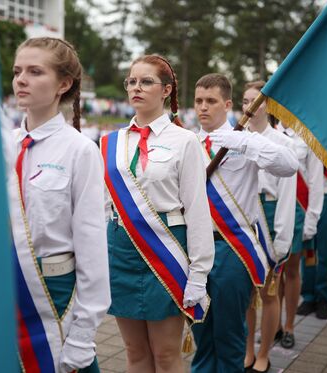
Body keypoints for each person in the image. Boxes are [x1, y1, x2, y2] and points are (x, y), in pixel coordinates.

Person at [101, 55, 213, 373]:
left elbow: (197, 208)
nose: (137, 87)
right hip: (120, 249)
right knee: (134, 352)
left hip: (165, 248)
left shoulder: (185, 141)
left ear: (166, 90)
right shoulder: (109, 142)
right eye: (132, 81)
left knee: (165, 355)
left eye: (146, 81)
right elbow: (102, 205)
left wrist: (200, 273)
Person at [5, 37, 110, 373]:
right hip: (3, 288)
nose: (21, 79)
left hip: (52, 294)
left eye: (35, 71)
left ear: (64, 84)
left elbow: (91, 243)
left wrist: (83, 333)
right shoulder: (3, 145)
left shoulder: (79, 150)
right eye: (17, 71)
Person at [191, 73, 298, 373]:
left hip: (231, 249)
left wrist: (244, 142)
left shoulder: (246, 140)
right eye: (199, 101)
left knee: (229, 334)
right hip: (195, 249)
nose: (203, 107)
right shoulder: (186, 142)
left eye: (211, 101)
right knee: (200, 331)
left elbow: (289, 166)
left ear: (227, 105)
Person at [242, 81, 297, 373]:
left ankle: (265, 352)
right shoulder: (238, 139)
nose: (249, 106)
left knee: (269, 292)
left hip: (271, 215)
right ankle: (249, 349)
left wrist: (281, 239)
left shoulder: (283, 144)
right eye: (244, 100)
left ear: (268, 105)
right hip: (245, 216)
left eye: (255, 100)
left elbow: (287, 197)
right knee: (248, 293)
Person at [276, 121, 324, 346]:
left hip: (298, 210)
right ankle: (273, 322)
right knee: (273, 273)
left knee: (292, 270)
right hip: (273, 208)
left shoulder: (307, 136)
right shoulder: (268, 132)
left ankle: (289, 326)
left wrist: (312, 219)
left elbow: (315, 181)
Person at [297, 168, 327, 320]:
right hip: (306, 195)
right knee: (308, 250)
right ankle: (308, 297)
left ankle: (323, 299)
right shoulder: (306, 142)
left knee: (326, 251)